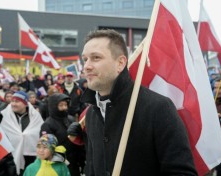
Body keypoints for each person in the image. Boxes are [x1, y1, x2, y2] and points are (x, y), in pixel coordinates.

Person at [71, 29, 197, 175]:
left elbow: (181, 172)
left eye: (96, 58)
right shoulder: (92, 114)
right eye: (85, 59)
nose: (86, 66)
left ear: (120, 63)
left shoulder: (158, 108)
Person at [40, 93, 85, 176]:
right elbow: (46, 147)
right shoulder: (47, 124)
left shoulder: (70, 119)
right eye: (61, 105)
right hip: (59, 163)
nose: (64, 108)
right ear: (54, 106)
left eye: (65, 105)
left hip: (74, 162)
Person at [0, 91, 44, 175]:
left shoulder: (35, 116)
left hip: (30, 157)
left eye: (17, 101)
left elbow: (40, 133)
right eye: (12, 101)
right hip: (10, 156)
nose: (13, 104)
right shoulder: (4, 116)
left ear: (25, 103)